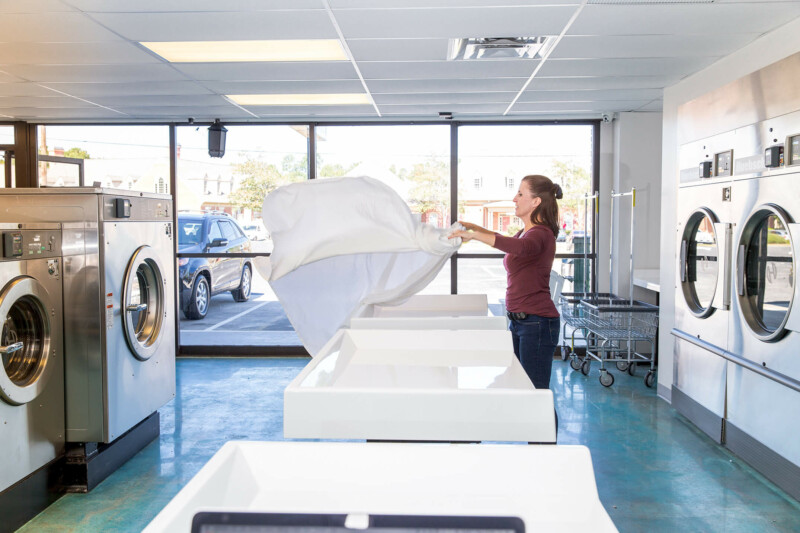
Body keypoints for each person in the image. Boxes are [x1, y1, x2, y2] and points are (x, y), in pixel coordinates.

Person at [450, 174, 563, 390]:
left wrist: (474, 237)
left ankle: (547, 426)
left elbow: (520, 248)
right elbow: (509, 240)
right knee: (520, 389)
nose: (514, 199)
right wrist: (475, 228)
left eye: (520, 194)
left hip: (537, 323)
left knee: (534, 393)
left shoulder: (541, 234)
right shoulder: (525, 232)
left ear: (536, 202)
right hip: (520, 322)